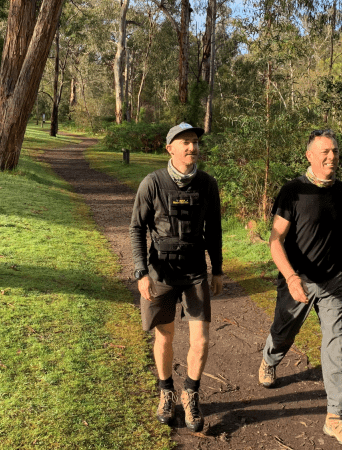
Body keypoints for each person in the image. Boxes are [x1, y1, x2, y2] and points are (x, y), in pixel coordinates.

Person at [258, 129, 342, 448]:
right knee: (284, 332)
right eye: (325, 152)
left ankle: (336, 416)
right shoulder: (293, 192)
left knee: (337, 346)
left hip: (333, 282)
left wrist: (340, 272)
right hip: (298, 280)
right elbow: (276, 241)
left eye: (335, 151)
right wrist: (290, 277)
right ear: (310, 156)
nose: (332, 157)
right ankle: (270, 359)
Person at [129, 122, 223, 432]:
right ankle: (166, 392)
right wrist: (141, 273)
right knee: (165, 336)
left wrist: (218, 269)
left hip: (195, 272)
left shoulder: (208, 185)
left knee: (201, 340)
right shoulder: (152, 184)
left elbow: (214, 232)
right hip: (161, 273)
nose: (192, 146)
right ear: (170, 148)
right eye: (184, 141)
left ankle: (191, 394)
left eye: (195, 141)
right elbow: (137, 229)